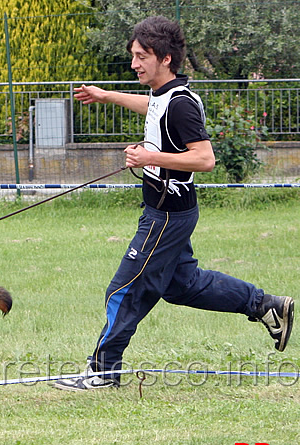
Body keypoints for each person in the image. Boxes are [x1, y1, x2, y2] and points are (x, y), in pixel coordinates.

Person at [54, 15, 294, 391]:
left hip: (167, 215)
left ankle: (103, 371)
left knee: (124, 289)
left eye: (141, 56)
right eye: (133, 55)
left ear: (165, 58)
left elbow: (205, 159)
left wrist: (151, 159)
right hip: (168, 212)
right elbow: (151, 110)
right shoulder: (164, 95)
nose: (134, 63)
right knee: (183, 286)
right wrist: (106, 95)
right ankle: (265, 304)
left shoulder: (181, 103)